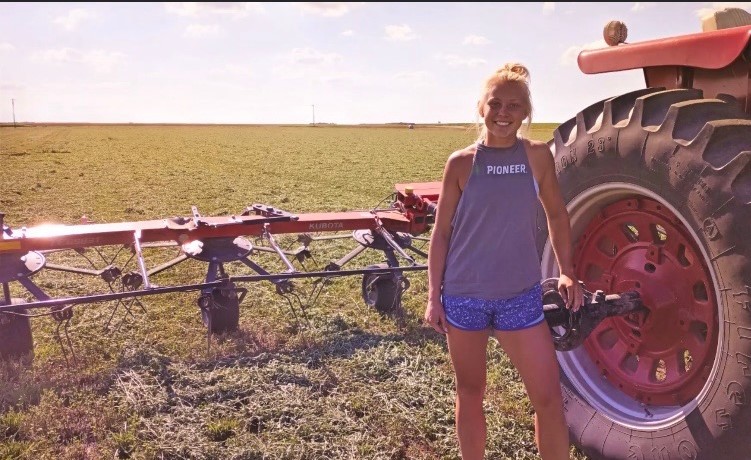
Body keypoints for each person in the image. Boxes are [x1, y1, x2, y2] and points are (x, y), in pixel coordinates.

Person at [423, 62, 583, 460]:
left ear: (526, 112)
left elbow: (558, 214)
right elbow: (441, 233)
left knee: (547, 398)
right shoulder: (461, 163)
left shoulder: (537, 157)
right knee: (471, 392)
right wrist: (433, 296)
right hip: (464, 297)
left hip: (520, 297)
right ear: (481, 107)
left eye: (513, 105)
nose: (503, 113)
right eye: (495, 103)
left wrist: (567, 271)